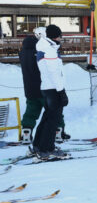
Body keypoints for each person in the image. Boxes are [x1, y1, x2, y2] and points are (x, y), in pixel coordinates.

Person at [19, 27, 70, 144]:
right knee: (53, 113)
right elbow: (50, 70)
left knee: (31, 111)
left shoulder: (23, 52)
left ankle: (27, 133)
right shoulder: (42, 50)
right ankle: (58, 132)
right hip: (45, 87)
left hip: (29, 88)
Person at [32, 24, 69, 159]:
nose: (61, 38)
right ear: (55, 36)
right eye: (60, 36)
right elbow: (54, 73)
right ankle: (47, 148)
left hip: (47, 87)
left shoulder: (45, 47)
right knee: (53, 119)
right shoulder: (50, 50)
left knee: (47, 117)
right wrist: (62, 92)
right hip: (53, 88)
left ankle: (38, 144)